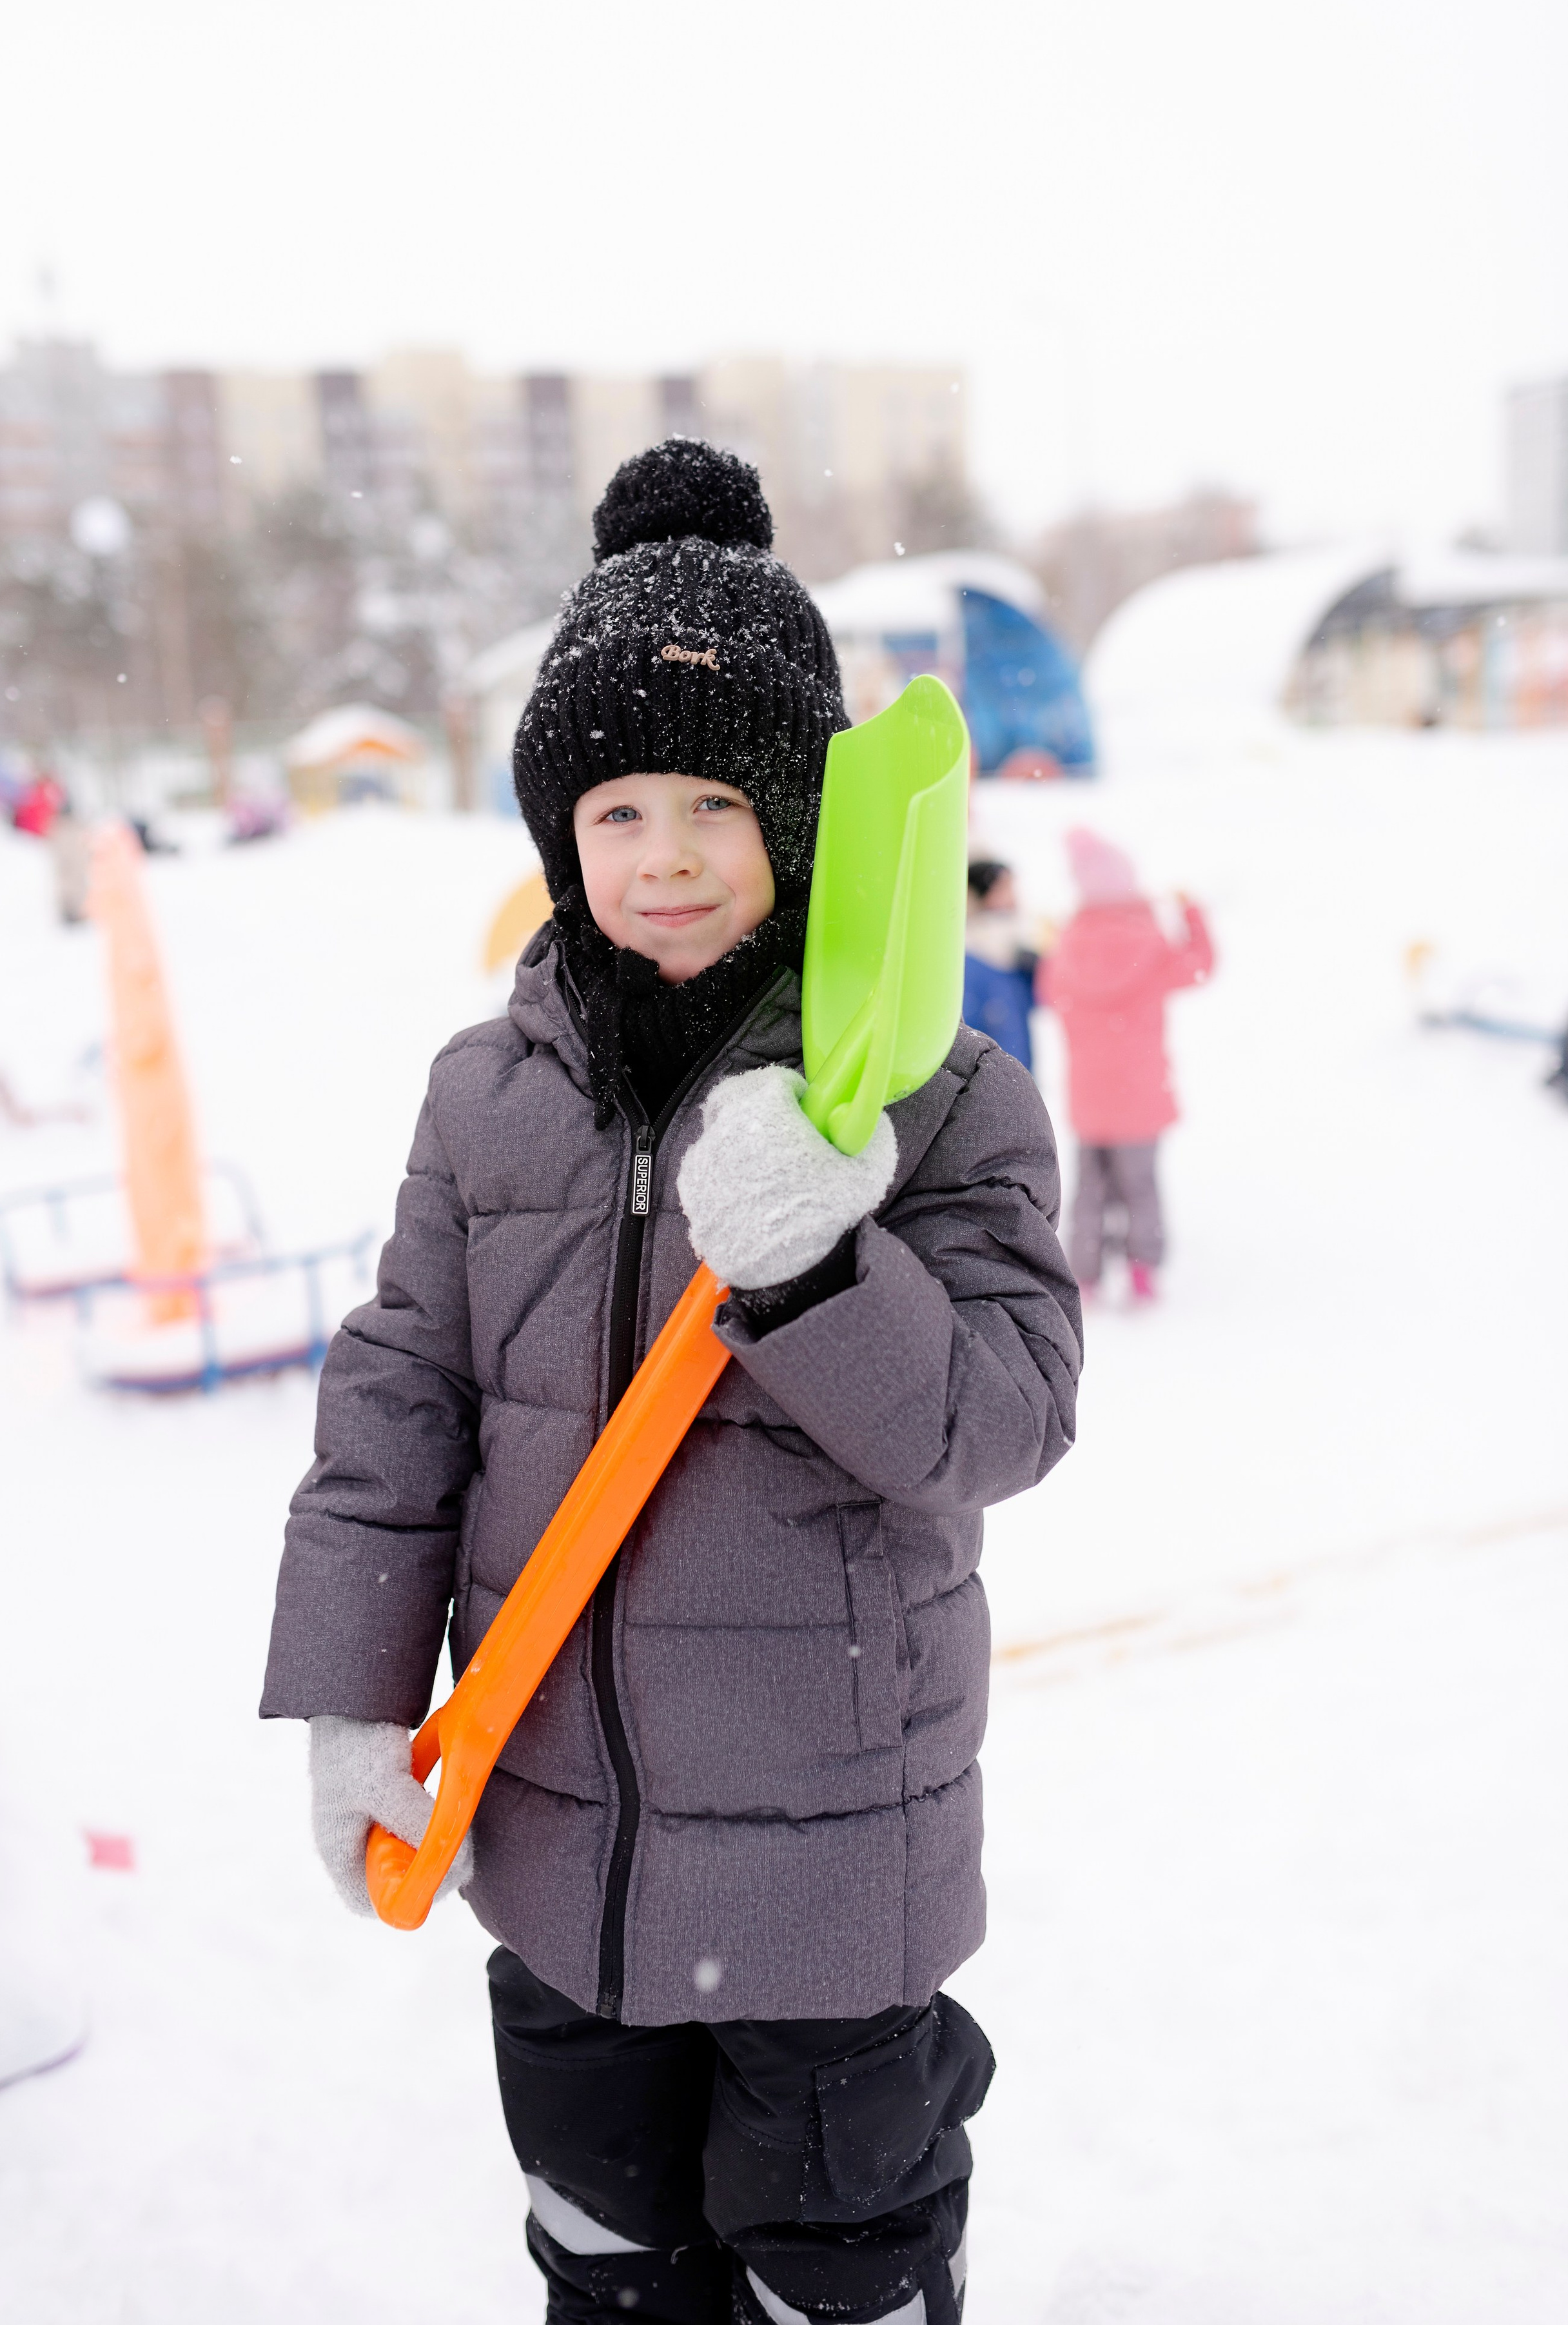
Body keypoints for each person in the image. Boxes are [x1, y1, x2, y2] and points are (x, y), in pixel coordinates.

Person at [261, 440, 1082, 2325]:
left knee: (838, 2277)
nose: (668, 857)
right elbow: (395, 1403)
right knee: (604, 2264)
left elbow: (1005, 1417)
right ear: (559, 840)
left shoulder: (932, 1095)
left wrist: (817, 1265)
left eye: (716, 801)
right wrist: (347, 1702)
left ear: (795, 818)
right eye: (616, 811)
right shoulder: (487, 1095)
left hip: (832, 1873)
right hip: (556, 1852)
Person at [1037, 827, 1213, 1305]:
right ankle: (1142, 1266)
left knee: (1089, 1188)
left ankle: (1086, 1272)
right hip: (1141, 1093)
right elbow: (1201, 965)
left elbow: (1049, 993)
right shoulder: (1150, 942)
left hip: (1090, 1095)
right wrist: (1192, 915)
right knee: (1141, 1184)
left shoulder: (1069, 945)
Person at [963, 856, 1040, 1071]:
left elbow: (1042, 1002)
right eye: (1003, 889)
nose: (1013, 898)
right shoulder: (967, 956)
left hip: (1020, 1073)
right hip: (984, 1079)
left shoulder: (1018, 952)